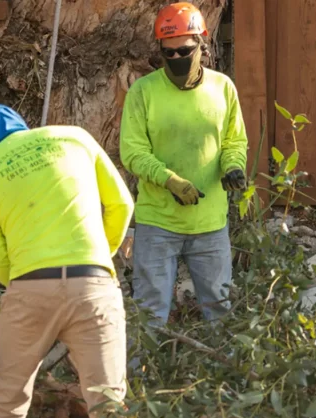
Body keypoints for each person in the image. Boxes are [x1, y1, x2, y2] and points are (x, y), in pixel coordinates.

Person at [0, 104, 136, 418]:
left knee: (8, 400)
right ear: (25, 126)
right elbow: (123, 204)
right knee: (109, 404)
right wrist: (101, 257)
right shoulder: (75, 137)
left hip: (29, 288)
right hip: (94, 284)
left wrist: (27, 286)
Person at [119, 2, 249, 326]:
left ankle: (222, 361)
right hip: (158, 222)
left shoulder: (222, 88)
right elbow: (133, 152)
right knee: (149, 313)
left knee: (220, 310)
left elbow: (234, 141)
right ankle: (145, 362)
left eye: (185, 51)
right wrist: (169, 180)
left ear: (201, 46)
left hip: (210, 224)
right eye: (169, 53)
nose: (177, 58)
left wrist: (233, 167)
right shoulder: (143, 92)